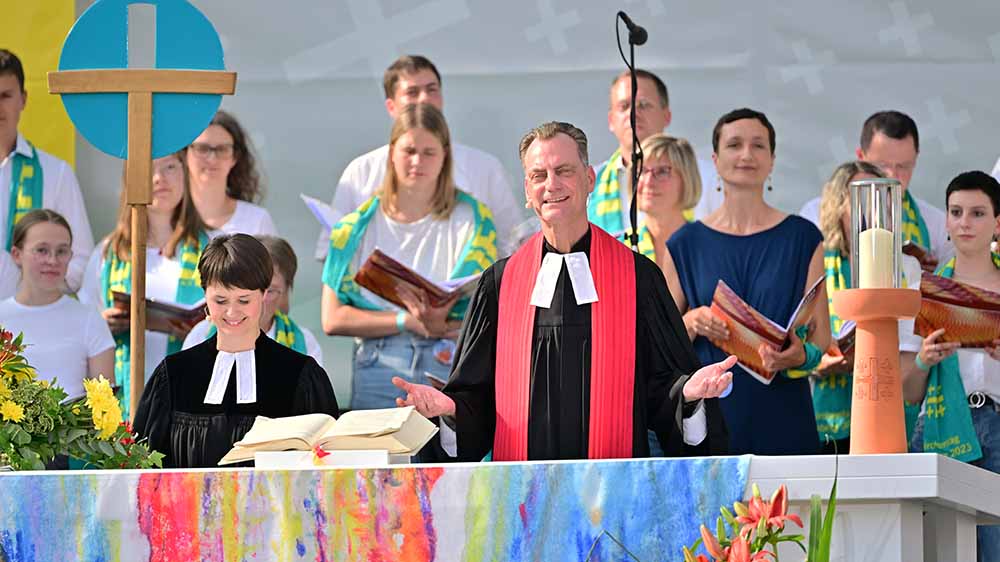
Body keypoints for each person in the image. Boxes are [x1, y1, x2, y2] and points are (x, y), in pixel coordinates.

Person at [392, 121, 734, 462]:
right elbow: (475, 396)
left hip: (610, 493)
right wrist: (449, 408)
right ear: (527, 190)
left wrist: (687, 394)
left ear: (589, 180)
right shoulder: (499, 284)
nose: (551, 184)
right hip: (523, 497)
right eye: (539, 175)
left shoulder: (638, 277)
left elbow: (662, 387)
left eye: (563, 171)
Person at [662, 108, 830, 455]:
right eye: (734, 144)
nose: (746, 154)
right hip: (711, 417)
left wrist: (798, 357)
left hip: (785, 415)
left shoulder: (803, 238)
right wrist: (691, 322)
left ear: (771, 160)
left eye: (758, 146)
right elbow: (660, 344)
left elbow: (821, 339)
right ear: (715, 159)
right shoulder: (683, 244)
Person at [321, 103, 497, 411]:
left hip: (448, 358)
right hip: (378, 362)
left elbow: (490, 307)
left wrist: (445, 320)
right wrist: (408, 321)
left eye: (429, 152)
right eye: (409, 150)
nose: (417, 161)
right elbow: (332, 317)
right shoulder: (356, 226)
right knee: (379, 458)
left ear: (445, 156)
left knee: (446, 458)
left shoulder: (473, 220)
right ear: (391, 152)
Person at [134, 234, 339, 468]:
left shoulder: (300, 375)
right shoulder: (173, 375)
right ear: (205, 297)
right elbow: (143, 469)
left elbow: (327, 469)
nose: (232, 312)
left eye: (244, 300)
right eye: (220, 300)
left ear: (264, 295)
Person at [315, 55, 520, 259]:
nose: (424, 99)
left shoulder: (484, 167)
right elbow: (333, 253)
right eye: (412, 92)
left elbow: (512, 245)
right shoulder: (361, 171)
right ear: (391, 106)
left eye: (432, 90)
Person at [902, 171, 1000, 562]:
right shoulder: (927, 290)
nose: (964, 222)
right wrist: (925, 358)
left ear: (997, 222)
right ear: (945, 219)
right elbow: (910, 392)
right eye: (956, 212)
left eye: (977, 213)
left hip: (996, 423)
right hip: (938, 426)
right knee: (935, 549)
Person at [79, 152, 209, 419]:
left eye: (170, 167)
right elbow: (81, 326)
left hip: (191, 398)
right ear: (130, 181)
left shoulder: (211, 248)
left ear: (186, 173)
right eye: (148, 169)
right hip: (124, 398)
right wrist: (104, 324)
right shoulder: (108, 253)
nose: (159, 178)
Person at [811, 161, 923, 453]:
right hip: (829, 421)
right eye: (862, 195)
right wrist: (818, 361)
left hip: (890, 406)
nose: (872, 208)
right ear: (839, 204)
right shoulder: (816, 262)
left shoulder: (906, 265)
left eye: (880, 196)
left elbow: (913, 344)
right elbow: (799, 336)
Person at [588, 69, 743, 239]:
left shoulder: (709, 177)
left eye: (644, 105)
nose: (633, 114)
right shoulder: (589, 185)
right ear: (611, 120)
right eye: (624, 106)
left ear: (667, 115)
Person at [799, 110, 949, 269]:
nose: (892, 175)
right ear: (861, 157)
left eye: (903, 166)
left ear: (916, 159)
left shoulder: (936, 224)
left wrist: (935, 278)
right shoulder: (816, 215)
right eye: (882, 166)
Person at [0, 49, 93, 297]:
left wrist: (42, 294)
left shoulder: (56, 172)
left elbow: (81, 261)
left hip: (33, 328)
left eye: (5, 96)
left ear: (23, 99)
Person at [0, 210, 113, 399]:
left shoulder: (89, 319)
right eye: (42, 250)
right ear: (16, 254)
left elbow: (105, 406)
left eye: (61, 251)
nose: (52, 260)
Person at [184, 235, 324, 368]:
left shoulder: (304, 342)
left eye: (270, 291)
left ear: (286, 291)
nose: (261, 300)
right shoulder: (200, 335)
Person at [184, 110, 277, 236]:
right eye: (202, 148)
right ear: (185, 154)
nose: (212, 159)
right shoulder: (163, 220)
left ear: (235, 157)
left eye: (222, 149)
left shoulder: (257, 221)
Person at [631, 134, 701, 267]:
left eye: (662, 171)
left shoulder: (709, 244)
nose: (648, 182)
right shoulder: (618, 246)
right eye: (642, 171)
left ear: (687, 179)